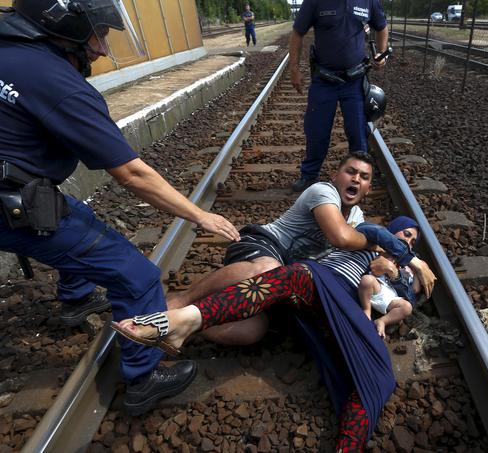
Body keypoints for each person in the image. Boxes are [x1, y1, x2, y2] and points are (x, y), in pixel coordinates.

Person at [0, 0, 240, 416]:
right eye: (98, 34)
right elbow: (132, 173)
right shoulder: (57, 83)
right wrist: (199, 215)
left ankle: (76, 298)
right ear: (66, 23)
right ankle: (144, 378)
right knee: (138, 276)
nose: (99, 48)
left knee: (74, 216)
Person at [112, 220, 436, 450]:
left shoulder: (403, 276)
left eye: (412, 241)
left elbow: (407, 305)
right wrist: (410, 258)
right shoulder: (366, 238)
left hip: (345, 321)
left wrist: (403, 280)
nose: (407, 242)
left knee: (381, 381)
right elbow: (375, 231)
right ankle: (187, 319)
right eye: (404, 234)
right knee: (299, 275)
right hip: (320, 289)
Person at [168, 151, 403, 345]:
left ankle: (190, 322)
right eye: (350, 172)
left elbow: (363, 253)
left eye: (363, 177)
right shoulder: (323, 191)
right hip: (263, 244)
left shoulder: (356, 215)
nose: (355, 179)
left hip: (282, 277)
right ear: (335, 175)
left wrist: (402, 263)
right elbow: (341, 238)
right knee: (268, 269)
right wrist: (376, 245)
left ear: (368, 188)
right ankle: (183, 299)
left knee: (251, 331)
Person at [288, 0, 389, 192]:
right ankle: (309, 176)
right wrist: (294, 69)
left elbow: (382, 27)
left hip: (355, 80)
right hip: (323, 79)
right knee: (316, 130)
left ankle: (359, 179)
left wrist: (382, 54)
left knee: (358, 132)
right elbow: (297, 33)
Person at [358, 216, 422, 338]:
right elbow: (373, 271)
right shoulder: (376, 247)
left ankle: (382, 321)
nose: (408, 242)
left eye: (413, 242)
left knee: (406, 307)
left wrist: (418, 270)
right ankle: (366, 310)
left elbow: (414, 292)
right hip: (374, 287)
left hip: (390, 298)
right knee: (367, 280)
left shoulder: (409, 264)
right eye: (407, 234)